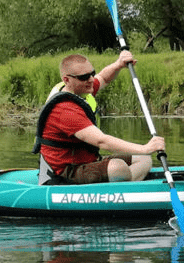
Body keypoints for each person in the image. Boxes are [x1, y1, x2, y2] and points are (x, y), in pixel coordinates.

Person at [34, 51, 165, 184]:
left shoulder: (78, 89)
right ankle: (123, 185)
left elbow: (103, 78)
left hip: (86, 162)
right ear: (67, 80)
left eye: (91, 73)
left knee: (143, 158)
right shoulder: (65, 111)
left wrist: (118, 64)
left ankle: (125, 183)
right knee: (118, 167)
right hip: (65, 172)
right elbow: (102, 141)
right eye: (84, 77)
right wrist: (145, 147)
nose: (91, 79)